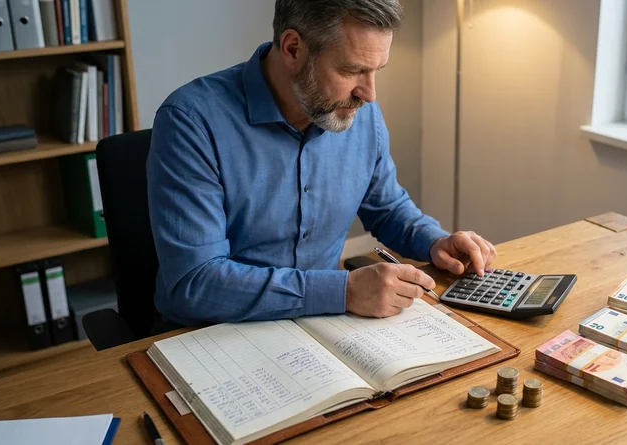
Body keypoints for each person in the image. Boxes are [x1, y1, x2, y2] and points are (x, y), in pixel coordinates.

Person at [146, 0, 497, 326]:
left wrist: (435, 242)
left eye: (376, 70)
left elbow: (387, 208)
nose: (369, 94)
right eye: (352, 70)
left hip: (324, 324)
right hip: (215, 334)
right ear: (293, 49)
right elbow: (195, 283)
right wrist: (343, 291)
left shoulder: (359, 111)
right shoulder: (191, 122)